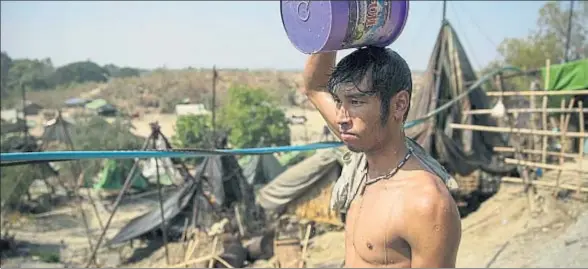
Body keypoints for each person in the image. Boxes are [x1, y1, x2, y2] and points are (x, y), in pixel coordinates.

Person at [300, 47, 462, 268]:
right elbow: (315, 87)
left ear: (399, 105)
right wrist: (334, 31)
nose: (340, 118)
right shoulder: (365, 152)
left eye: (356, 102)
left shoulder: (426, 204)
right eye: (338, 101)